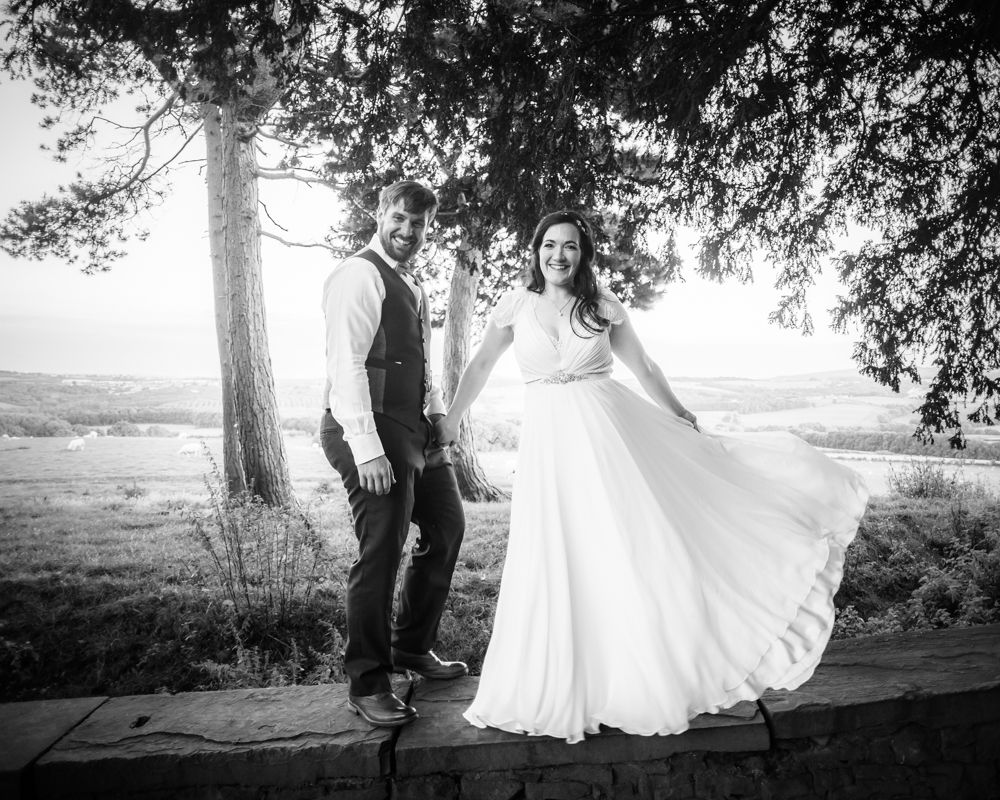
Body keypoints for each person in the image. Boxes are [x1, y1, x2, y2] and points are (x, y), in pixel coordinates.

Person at [436, 209, 869, 744]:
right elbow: (479, 365)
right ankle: (558, 682)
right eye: (550, 245)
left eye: (570, 246)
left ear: (583, 254)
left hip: (610, 440)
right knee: (556, 552)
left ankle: (633, 678)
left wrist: (680, 414)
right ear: (536, 250)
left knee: (621, 549)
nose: (558, 255)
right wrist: (452, 419)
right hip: (551, 448)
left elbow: (644, 368)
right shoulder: (515, 306)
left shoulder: (601, 307)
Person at [321, 180, 468, 729]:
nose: (408, 231)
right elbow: (347, 367)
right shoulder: (359, 275)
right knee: (381, 553)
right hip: (370, 433)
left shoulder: (412, 281)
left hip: (415, 431)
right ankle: (367, 681)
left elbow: (419, 360)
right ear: (380, 213)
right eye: (400, 218)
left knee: (447, 527)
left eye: (420, 224)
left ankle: (411, 647)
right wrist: (367, 450)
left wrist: (436, 417)